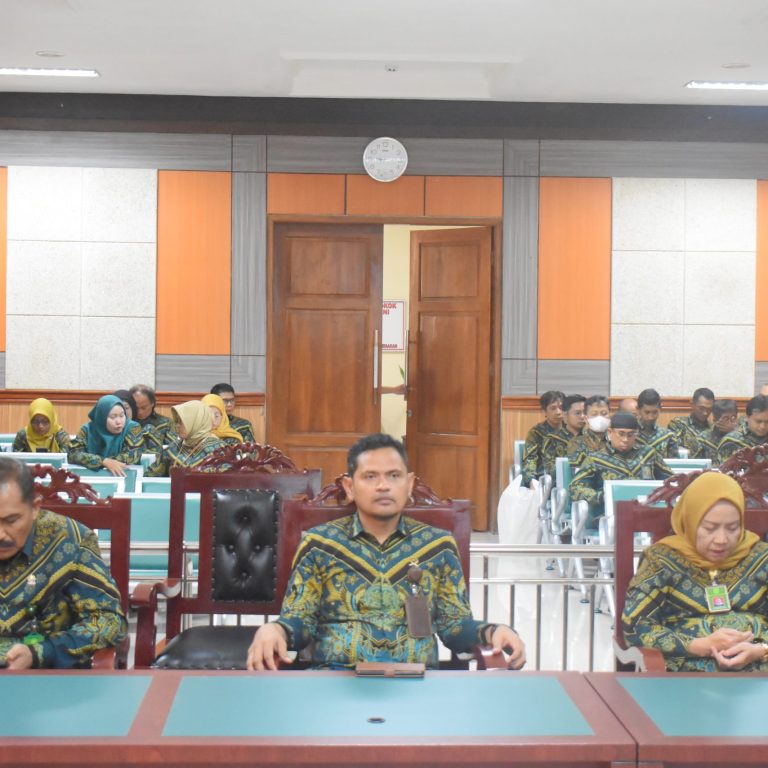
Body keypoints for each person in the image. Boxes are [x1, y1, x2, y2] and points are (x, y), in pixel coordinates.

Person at [246, 433, 526, 671]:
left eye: (394, 475)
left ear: (409, 484)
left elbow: (455, 627)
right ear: (349, 487)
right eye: (370, 476)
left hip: (418, 685)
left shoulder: (438, 546)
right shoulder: (320, 544)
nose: (383, 486)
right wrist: (276, 629)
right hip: (335, 681)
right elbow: (300, 619)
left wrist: (493, 631)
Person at [621, 472, 768, 672]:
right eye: (710, 528)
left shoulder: (761, 557)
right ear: (690, 522)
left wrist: (760, 649)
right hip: (689, 674)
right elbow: (635, 626)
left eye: (733, 528)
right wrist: (699, 646)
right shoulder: (661, 561)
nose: (721, 540)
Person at [0, 458, 126, 669]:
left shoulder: (69, 539)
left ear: (35, 508)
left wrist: (41, 653)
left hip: (47, 674)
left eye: (11, 520)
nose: (1, 535)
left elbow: (108, 620)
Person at [570, 412, 673, 509]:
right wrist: (601, 496)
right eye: (621, 434)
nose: (625, 439)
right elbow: (576, 487)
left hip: (648, 509)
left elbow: (671, 480)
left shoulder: (648, 454)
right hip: (610, 512)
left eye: (631, 434)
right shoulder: (596, 459)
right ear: (610, 432)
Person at [67, 394, 144, 477]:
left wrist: (100, 462)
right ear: (101, 418)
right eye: (113, 417)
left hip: (125, 476)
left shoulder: (133, 428)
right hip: (90, 477)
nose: (119, 421)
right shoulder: (87, 430)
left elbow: (132, 456)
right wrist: (103, 461)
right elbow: (73, 454)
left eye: (122, 415)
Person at [145, 401, 226, 476]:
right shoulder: (174, 447)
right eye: (176, 421)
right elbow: (151, 475)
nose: (177, 426)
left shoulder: (219, 450)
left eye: (181, 422)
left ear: (196, 422)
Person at [520, 390, 566, 486]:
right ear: (544, 411)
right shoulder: (536, 433)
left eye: (561, 408)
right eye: (553, 408)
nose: (558, 412)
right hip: (544, 482)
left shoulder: (571, 430)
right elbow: (530, 460)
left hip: (567, 478)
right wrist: (531, 482)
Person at [540, 394, 586, 476]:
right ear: (565, 415)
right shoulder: (552, 440)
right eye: (578, 413)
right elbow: (550, 471)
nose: (582, 417)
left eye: (585, 413)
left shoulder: (593, 439)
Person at [718, 395, 768, 464]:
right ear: (747, 417)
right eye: (758, 421)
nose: (763, 426)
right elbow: (726, 469)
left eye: (767, 422)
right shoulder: (731, 441)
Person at [668, 387, 714, 458]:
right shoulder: (678, 424)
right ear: (692, 404)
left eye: (709, 409)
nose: (705, 413)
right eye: (701, 408)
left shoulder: (713, 429)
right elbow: (672, 449)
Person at [567, 395, 610, 470]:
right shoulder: (577, 443)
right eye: (594, 414)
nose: (600, 418)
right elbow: (574, 469)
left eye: (604, 413)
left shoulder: (615, 440)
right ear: (586, 418)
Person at [635, 388, 679, 459]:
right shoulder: (630, 435)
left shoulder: (668, 436)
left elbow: (674, 463)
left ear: (660, 409)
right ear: (638, 410)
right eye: (647, 412)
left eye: (654, 412)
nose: (650, 417)